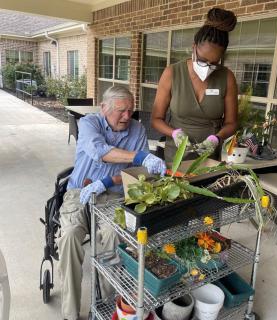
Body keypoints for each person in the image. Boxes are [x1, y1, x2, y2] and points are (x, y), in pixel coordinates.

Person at [57, 86, 166, 320]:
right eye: (121, 111)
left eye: (131, 110)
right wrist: (139, 156)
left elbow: (139, 172)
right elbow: (99, 151)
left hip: (114, 195)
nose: (127, 116)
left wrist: (107, 181)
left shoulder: (137, 130)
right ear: (104, 108)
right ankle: (70, 313)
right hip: (79, 192)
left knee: (112, 237)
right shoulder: (89, 123)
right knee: (69, 236)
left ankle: (103, 307)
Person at [151, 7, 238, 162]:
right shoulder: (172, 73)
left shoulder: (227, 77)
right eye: (203, 60)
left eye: (214, 62)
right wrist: (174, 133)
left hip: (209, 157)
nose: (207, 67)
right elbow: (156, 119)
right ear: (193, 47)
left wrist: (216, 139)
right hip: (176, 157)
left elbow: (231, 123)